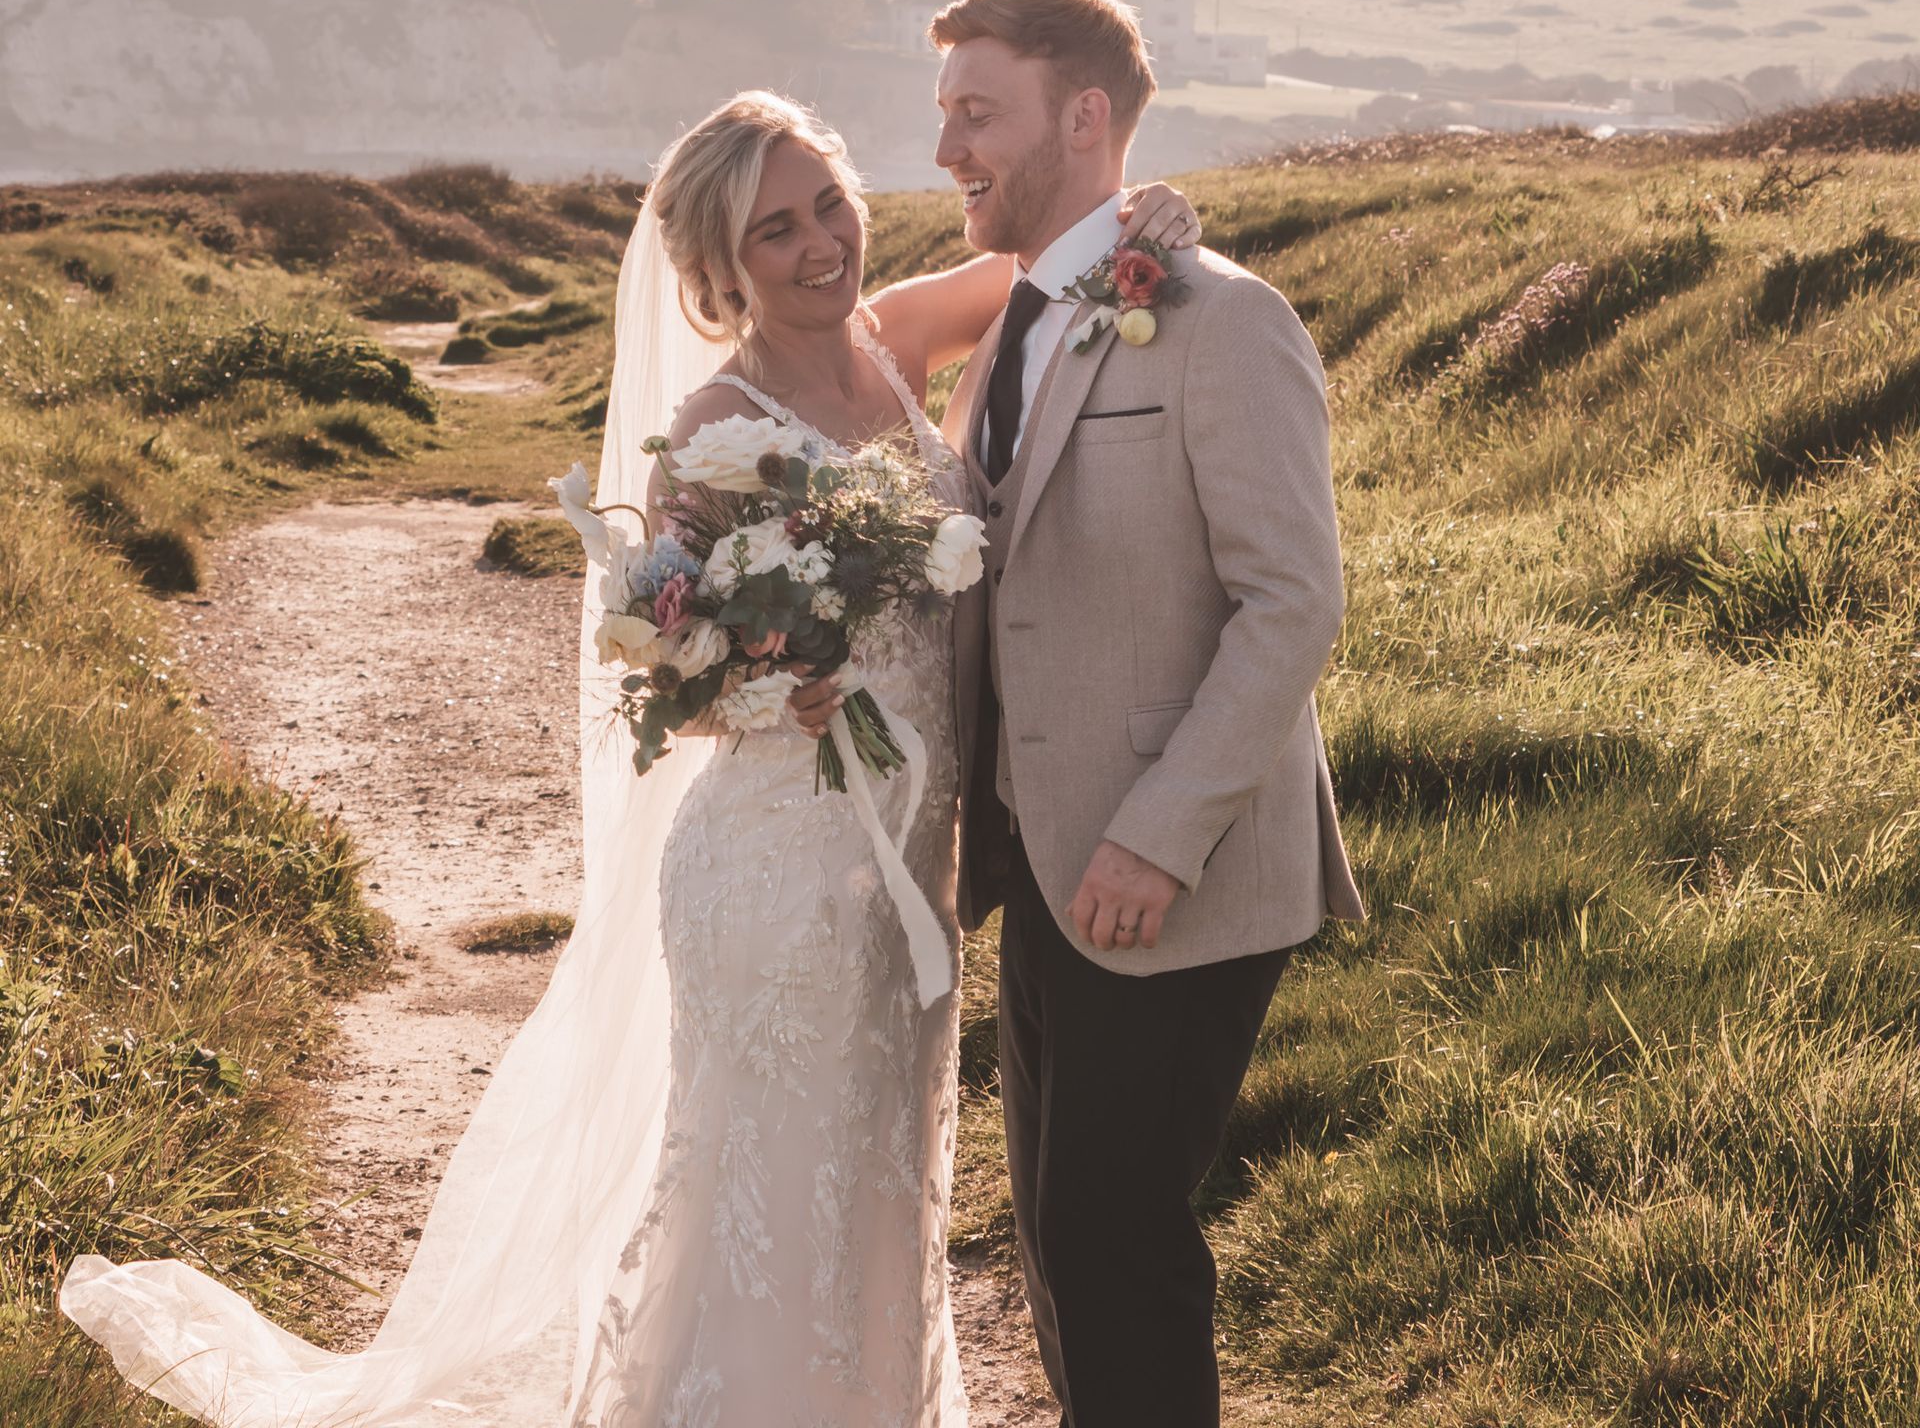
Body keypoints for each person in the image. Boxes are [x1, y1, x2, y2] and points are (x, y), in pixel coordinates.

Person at [58, 88, 1201, 1428]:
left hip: (911, 869)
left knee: (886, 1192)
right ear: (720, 270)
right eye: (775, 231)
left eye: (828, 202)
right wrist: (782, 686)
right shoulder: (717, 429)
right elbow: (664, 669)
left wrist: (1157, 213)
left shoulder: (894, 339)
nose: (820, 242)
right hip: (783, 874)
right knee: (771, 1194)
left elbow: (1046, 254)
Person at [927, 0, 1365, 1428]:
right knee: (1059, 1242)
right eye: (945, 117)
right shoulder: (1021, 320)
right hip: (1043, 860)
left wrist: (1159, 833)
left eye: (977, 113)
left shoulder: (1224, 320)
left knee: (1115, 1245)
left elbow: (1292, 601)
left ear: (1087, 115)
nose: (948, 151)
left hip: (1171, 871)